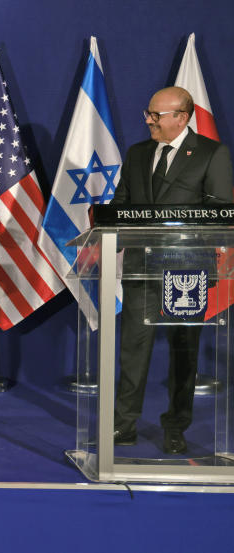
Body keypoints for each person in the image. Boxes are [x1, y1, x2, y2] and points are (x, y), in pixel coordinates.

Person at [110, 86, 233, 454]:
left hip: (186, 269)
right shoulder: (137, 153)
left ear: (182, 117)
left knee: (183, 351)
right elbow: (121, 203)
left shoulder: (211, 154)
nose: (149, 121)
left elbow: (221, 211)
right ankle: (123, 426)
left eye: (156, 116)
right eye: (148, 114)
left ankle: (176, 427)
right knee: (132, 349)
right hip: (141, 267)